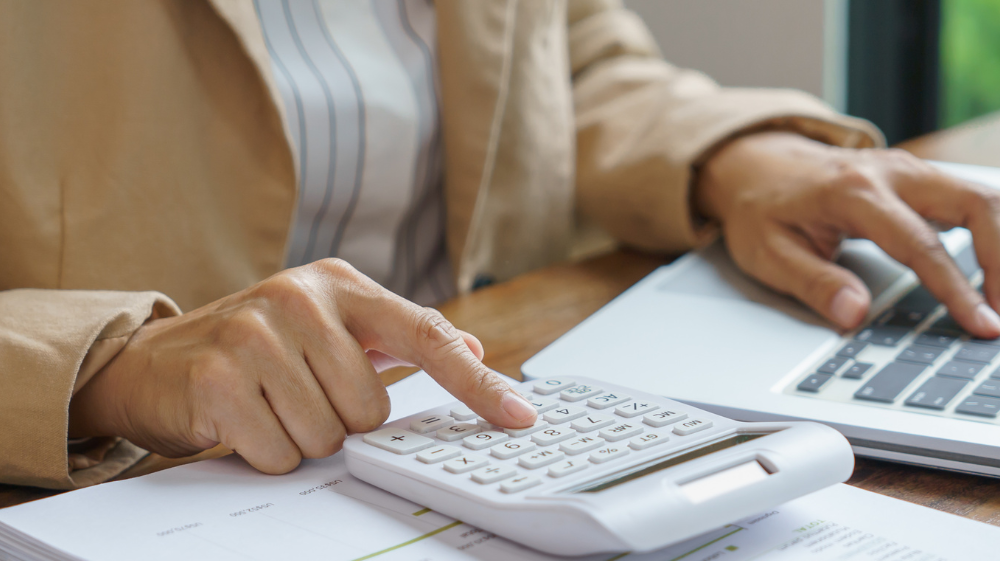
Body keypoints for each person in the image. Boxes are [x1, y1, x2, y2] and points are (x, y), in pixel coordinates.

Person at [3, 0, 998, 490]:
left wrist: (743, 158)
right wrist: (108, 365)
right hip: (137, 484)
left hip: (479, 422)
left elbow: (571, 52)